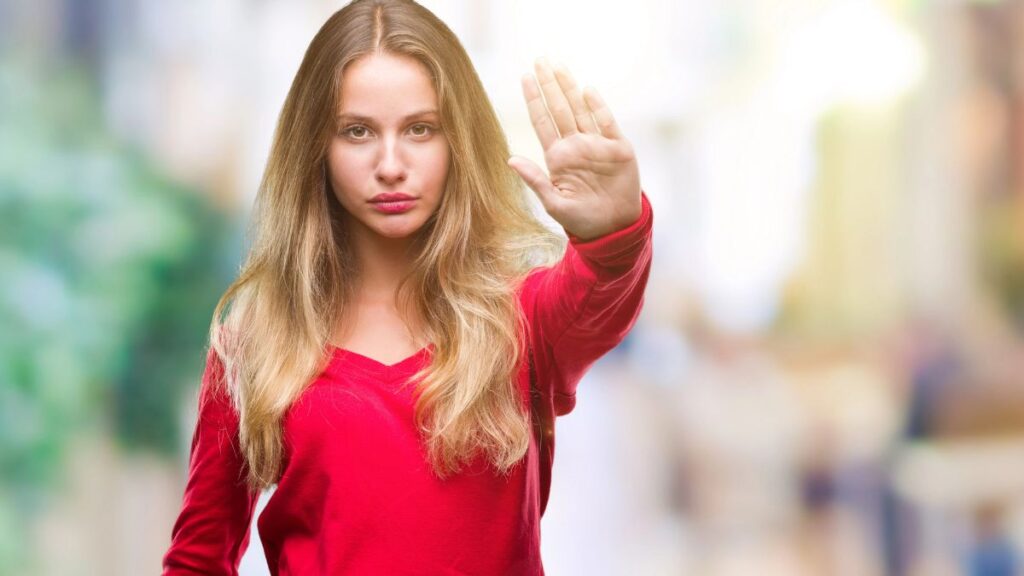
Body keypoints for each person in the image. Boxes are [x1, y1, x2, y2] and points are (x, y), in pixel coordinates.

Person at [161, 0, 653, 574]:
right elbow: (197, 559)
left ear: (458, 141)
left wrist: (614, 233)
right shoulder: (254, 341)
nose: (390, 164)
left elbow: (600, 298)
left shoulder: (520, 319)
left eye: (420, 129)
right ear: (316, 145)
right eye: (357, 131)